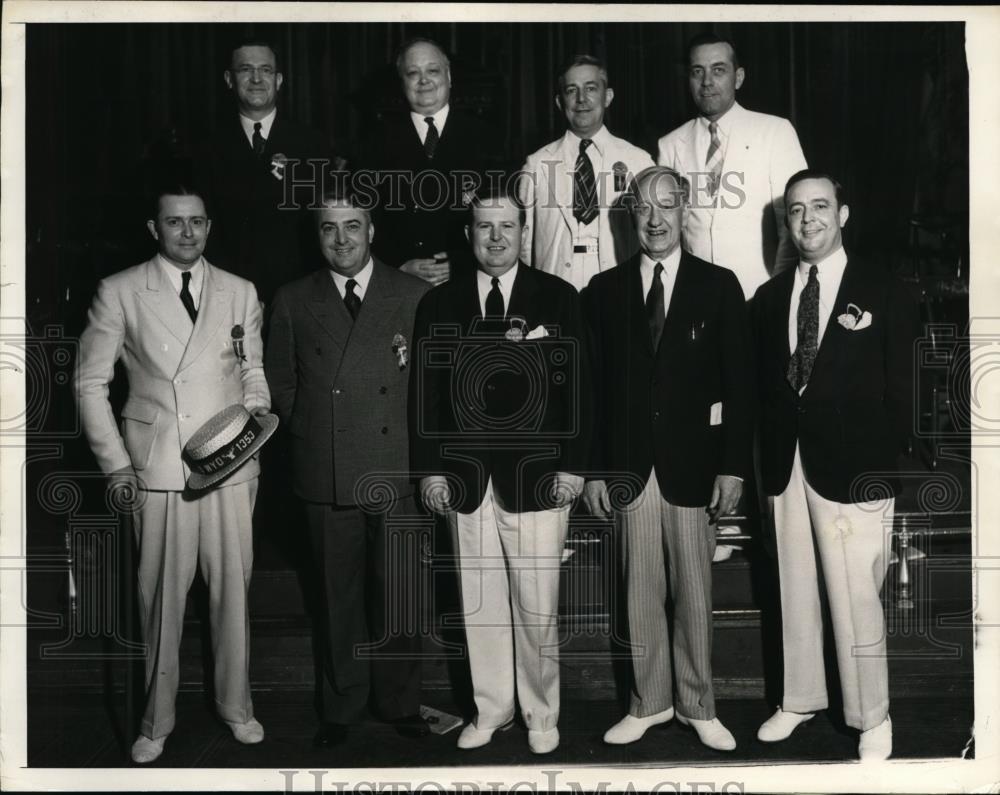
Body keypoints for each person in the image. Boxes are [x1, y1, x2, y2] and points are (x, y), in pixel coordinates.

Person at [74, 186, 271, 764]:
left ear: (210, 226)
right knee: (160, 601)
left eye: (197, 222)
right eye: (174, 222)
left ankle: (237, 707)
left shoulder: (240, 290)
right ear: (153, 228)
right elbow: (90, 385)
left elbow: (252, 368)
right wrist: (115, 465)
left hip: (231, 465)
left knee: (233, 595)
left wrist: (256, 413)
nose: (187, 232)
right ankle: (156, 720)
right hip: (159, 470)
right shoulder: (120, 290)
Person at [409, 187, 592, 754]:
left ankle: (541, 714)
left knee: (537, 605)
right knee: (479, 601)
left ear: (524, 232)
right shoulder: (438, 304)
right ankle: (491, 710)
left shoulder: (557, 298)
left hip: (537, 477)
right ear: (468, 235)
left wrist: (576, 467)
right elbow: (425, 397)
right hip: (466, 480)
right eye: (484, 227)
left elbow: (580, 391)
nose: (495, 238)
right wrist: (430, 471)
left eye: (506, 227)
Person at [581, 166, 752, 752]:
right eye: (643, 207)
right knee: (638, 590)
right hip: (629, 468)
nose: (654, 219)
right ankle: (648, 702)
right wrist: (597, 469)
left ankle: (698, 703)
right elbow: (593, 391)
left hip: (694, 470)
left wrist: (732, 466)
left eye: (667, 206)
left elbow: (741, 385)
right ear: (631, 215)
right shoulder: (602, 292)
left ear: (685, 213)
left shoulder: (719, 285)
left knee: (695, 591)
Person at [751, 170, 919, 761]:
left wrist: (878, 461)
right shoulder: (769, 299)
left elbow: (906, 393)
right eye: (795, 211)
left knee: (856, 596)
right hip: (786, 466)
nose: (807, 220)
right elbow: (761, 394)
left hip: (855, 469)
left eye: (820, 207)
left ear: (842, 215)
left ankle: (871, 716)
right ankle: (799, 698)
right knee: (793, 587)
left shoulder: (884, 290)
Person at [265, 191, 431, 747]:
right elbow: (279, 384)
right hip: (326, 470)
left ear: (372, 230)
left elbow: (431, 388)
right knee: (336, 598)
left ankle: (402, 701)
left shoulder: (414, 294)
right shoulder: (292, 298)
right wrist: (313, 430)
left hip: (398, 467)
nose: (341, 239)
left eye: (352, 227)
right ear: (317, 235)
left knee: (401, 594)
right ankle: (341, 707)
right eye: (329, 229)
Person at [657, 33, 808, 300]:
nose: (707, 82)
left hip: (759, 295)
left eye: (718, 70)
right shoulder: (669, 144)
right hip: (695, 297)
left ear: (738, 78)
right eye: (697, 72)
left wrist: (776, 294)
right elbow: (668, 232)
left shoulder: (775, 132)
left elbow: (793, 226)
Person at [195, 39, 335, 306]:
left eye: (266, 70)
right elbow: (207, 229)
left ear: (279, 80)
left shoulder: (312, 143)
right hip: (231, 293)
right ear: (229, 79)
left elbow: (322, 223)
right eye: (245, 69)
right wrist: (234, 292)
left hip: (300, 293)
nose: (257, 78)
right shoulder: (207, 149)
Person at [359, 37, 497, 284]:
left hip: (468, 279)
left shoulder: (485, 136)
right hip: (400, 282)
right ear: (402, 82)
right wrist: (398, 264)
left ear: (449, 76)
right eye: (413, 73)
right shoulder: (374, 142)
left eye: (432, 71)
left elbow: (500, 216)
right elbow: (365, 218)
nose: (424, 81)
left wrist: (462, 261)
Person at [519, 55, 654, 291]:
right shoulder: (537, 163)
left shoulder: (639, 161)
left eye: (591, 88)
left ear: (608, 96)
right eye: (572, 90)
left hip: (618, 285)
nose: (581, 99)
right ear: (560, 102)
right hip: (555, 284)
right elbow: (524, 241)